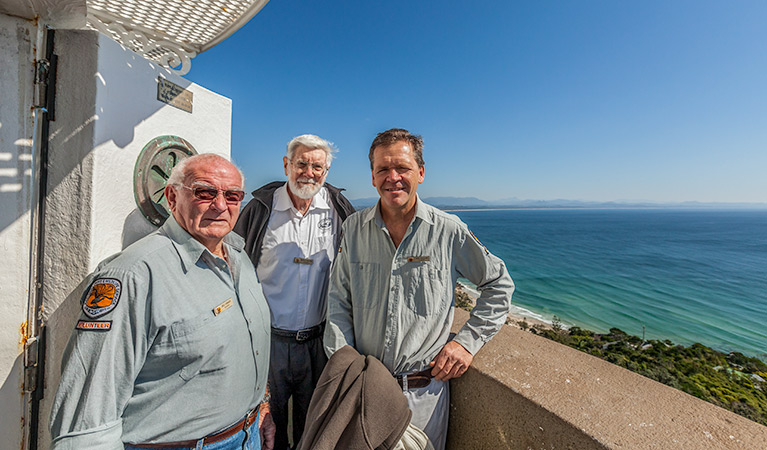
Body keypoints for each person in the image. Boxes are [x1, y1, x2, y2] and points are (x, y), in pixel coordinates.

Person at [49, 154, 275, 450]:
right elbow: (88, 414)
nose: (220, 205)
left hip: (249, 434)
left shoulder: (240, 257)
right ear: (172, 196)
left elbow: (249, 343)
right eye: (205, 192)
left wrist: (262, 405)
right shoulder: (134, 274)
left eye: (232, 196)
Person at [323, 128, 514, 450]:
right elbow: (338, 300)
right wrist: (346, 366)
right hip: (364, 389)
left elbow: (498, 284)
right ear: (372, 176)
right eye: (383, 169)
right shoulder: (354, 228)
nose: (392, 177)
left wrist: (467, 343)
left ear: (421, 173)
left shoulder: (448, 230)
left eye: (403, 168)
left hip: (423, 398)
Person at [234, 134, 354, 450]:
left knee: (312, 429)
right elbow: (232, 268)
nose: (309, 173)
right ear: (287, 164)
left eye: (318, 166)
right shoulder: (260, 209)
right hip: (266, 344)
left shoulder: (339, 210)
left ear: (327, 171)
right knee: (264, 430)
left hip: (317, 345)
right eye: (301, 163)